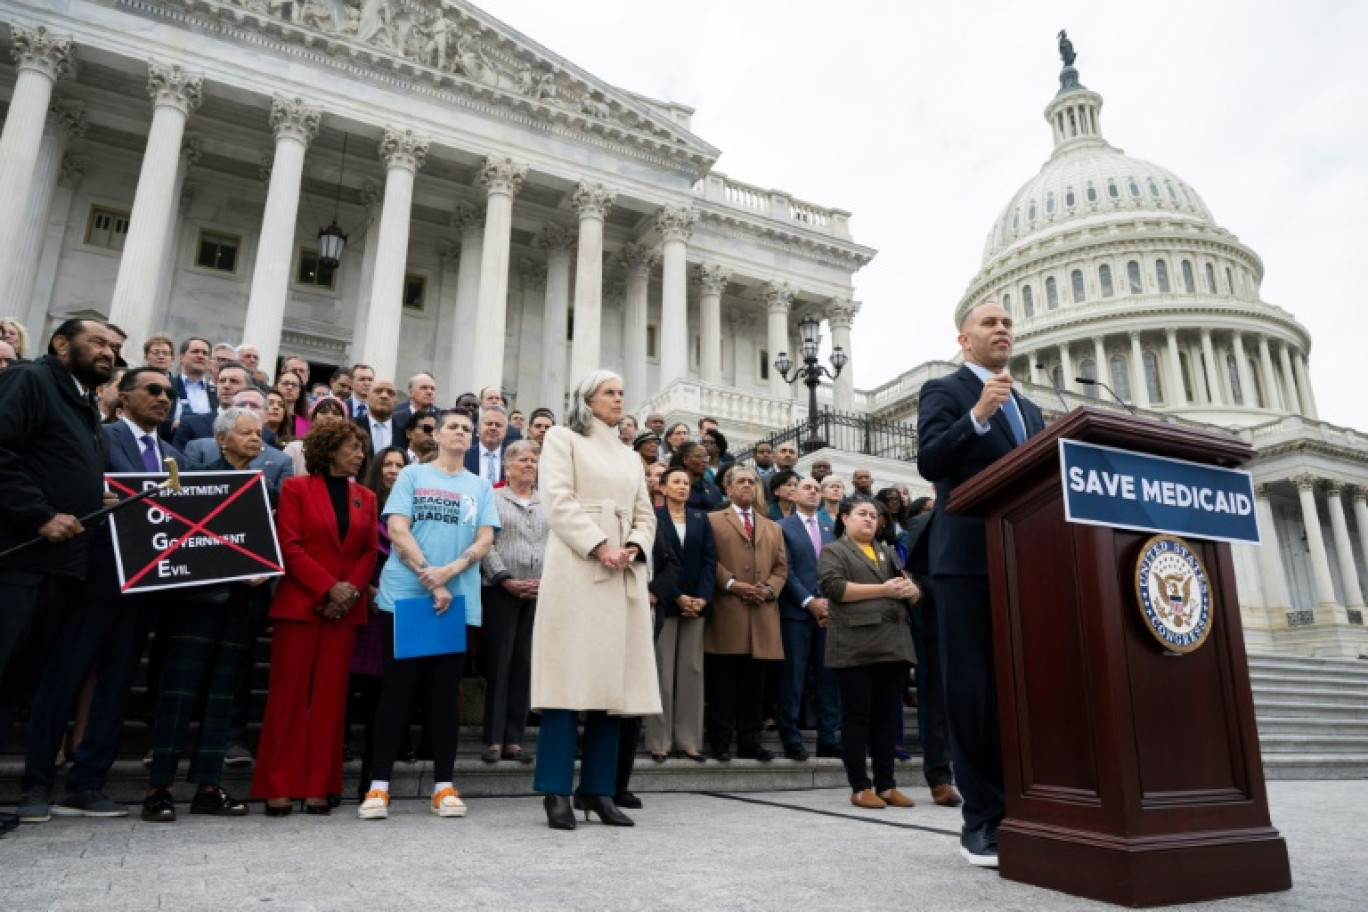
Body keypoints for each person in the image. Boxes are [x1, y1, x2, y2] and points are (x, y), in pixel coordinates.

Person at [17, 367, 187, 822]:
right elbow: (69, 489)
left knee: (116, 685)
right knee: (63, 679)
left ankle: (86, 783)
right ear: (122, 396)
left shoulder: (173, 454)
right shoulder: (100, 438)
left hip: (144, 587)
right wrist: (97, 497)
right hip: (93, 577)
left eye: (169, 393)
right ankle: (36, 784)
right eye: (152, 390)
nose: (163, 398)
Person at [917, 300, 1043, 868]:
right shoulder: (946, 392)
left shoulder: (1031, 409)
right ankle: (983, 822)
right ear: (965, 341)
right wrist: (977, 418)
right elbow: (930, 461)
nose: (1002, 331)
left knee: (1019, 688)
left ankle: (1027, 806)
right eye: (990, 324)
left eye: (1007, 324)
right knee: (972, 692)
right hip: (966, 559)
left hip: (1024, 560)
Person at [530, 370, 658, 830]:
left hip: (623, 570)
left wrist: (635, 547)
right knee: (566, 682)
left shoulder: (628, 455)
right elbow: (557, 500)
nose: (618, 399)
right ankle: (556, 791)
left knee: (613, 687)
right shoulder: (563, 438)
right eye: (609, 392)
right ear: (587, 399)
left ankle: (598, 790)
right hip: (577, 566)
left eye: (623, 392)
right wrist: (599, 543)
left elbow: (645, 512)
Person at [358, 408, 498, 821]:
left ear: (472, 440)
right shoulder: (413, 475)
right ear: (436, 434)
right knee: (398, 690)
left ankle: (443, 786)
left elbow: (485, 538)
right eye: (452, 426)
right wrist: (431, 579)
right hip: (409, 598)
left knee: (443, 695)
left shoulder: (480, 486)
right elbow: (398, 531)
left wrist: (450, 573)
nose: (459, 432)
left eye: (466, 429)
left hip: (453, 601)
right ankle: (378, 787)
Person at [141, 407, 273, 823]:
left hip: (240, 608)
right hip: (194, 607)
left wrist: (263, 569)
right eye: (247, 433)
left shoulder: (265, 486)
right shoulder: (195, 481)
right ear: (221, 439)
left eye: (259, 434)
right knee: (177, 698)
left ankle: (208, 787)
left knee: (223, 700)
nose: (256, 439)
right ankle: (158, 790)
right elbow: (178, 542)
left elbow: (267, 542)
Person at [252, 418, 377, 817]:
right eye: (352, 447)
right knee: (287, 700)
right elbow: (288, 543)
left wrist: (349, 591)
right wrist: (329, 587)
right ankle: (279, 786)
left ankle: (320, 785)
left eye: (361, 448)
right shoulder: (295, 488)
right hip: (301, 606)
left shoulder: (367, 497)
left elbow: (367, 553)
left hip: (344, 611)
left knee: (330, 701)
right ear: (328, 450)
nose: (360, 454)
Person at [0, 320, 117, 706]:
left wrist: (90, 499)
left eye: (112, 347)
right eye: (97, 342)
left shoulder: (83, 402)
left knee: (16, 683)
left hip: (59, 567)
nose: (108, 352)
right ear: (61, 344)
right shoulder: (29, 379)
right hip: (18, 559)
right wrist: (40, 515)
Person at [818, 495, 921, 810]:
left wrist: (912, 590)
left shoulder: (887, 551)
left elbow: (907, 590)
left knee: (886, 719)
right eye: (862, 514)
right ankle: (860, 786)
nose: (869, 520)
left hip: (894, 644)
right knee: (857, 717)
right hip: (856, 645)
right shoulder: (834, 550)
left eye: (874, 516)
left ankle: (887, 785)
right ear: (845, 518)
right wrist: (884, 590)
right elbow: (834, 589)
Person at [705, 467, 787, 763]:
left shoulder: (773, 527)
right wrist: (732, 584)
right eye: (740, 482)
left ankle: (751, 742)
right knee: (723, 684)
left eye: (752, 481)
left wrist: (769, 589)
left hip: (762, 613)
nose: (747, 486)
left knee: (756, 685)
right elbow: (708, 560)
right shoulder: (713, 521)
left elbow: (781, 567)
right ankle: (721, 741)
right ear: (727, 490)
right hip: (727, 611)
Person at [479, 440, 546, 764]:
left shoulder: (546, 501)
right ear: (507, 465)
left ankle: (514, 739)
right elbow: (485, 544)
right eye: (523, 459)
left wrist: (544, 582)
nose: (529, 464)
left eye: (534, 459)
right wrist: (504, 578)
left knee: (524, 664)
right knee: (500, 664)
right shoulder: (493, 498)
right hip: (501, 590)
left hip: (538, 593)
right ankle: (493, 738)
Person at [347, 445, 408, 800]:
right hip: (364, 608)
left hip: (396, 611)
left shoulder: (411, 509)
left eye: (400, 465)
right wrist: (367, 588)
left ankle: (372, 775)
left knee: (382, 697)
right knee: (350, 693)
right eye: (387, 464)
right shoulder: (364, 504)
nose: (393, 470)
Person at [645, 465, 717, 762]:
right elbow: (655, 564)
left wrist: (701, 598)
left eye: (686, 482)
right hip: (665, 602)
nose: (682, 487)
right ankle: (659, 740)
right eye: (675, 482)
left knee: (692, 671)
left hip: (696, 607)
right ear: (661, 487)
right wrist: (675, 596)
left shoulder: (701, 518)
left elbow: (709, 561)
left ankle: (688, 740)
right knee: (662, 672)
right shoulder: (652, 518)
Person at [775, 477, 841, 762]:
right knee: (793, 678)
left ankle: (829, 738)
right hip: (796, 614)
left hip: (828, 615)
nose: (813, 492)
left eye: (816, 489)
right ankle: (790, 737)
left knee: (829, 679)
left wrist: (827, 603)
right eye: (807, 488)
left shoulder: (830, 529)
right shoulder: (782, 527)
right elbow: (785, 570)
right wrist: (809, 601)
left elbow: (837, 568)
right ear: (793, 493)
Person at [904, 495, 961, 808]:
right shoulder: (923, 522)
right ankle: (939, 778)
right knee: (937, 705)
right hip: (937, 626)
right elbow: (917, 574)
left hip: (976, 623)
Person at [283, 396, 348, 477]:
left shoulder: (349, 452)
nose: (329, 416)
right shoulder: (295, 449)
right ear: (313, 418)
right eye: (324, 412)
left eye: (336, 413)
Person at [672, 441, 723, 512]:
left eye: (706, 457)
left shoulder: (713, 489)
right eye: (699, 457)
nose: (704, 461)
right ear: (685, 460)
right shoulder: (674, 488)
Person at [465, 403, 509, 484]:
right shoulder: (464, 455)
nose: (493, 428)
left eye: (498, 425)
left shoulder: (511, 458)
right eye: (489, 424)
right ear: (478, 428)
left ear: (505, 432)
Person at [355, 378, 398, 454]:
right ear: (367, 397)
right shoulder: (353, 426)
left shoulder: (404, 432)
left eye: (390, 393)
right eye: (378, 391)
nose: (384, 396)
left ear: (396, 401)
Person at [274, 372, 305, 439]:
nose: (290, 387)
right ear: (276, 387)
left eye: (294, 385)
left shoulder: (305, 424)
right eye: (285, 383)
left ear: (299, 392)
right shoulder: (266, 415)